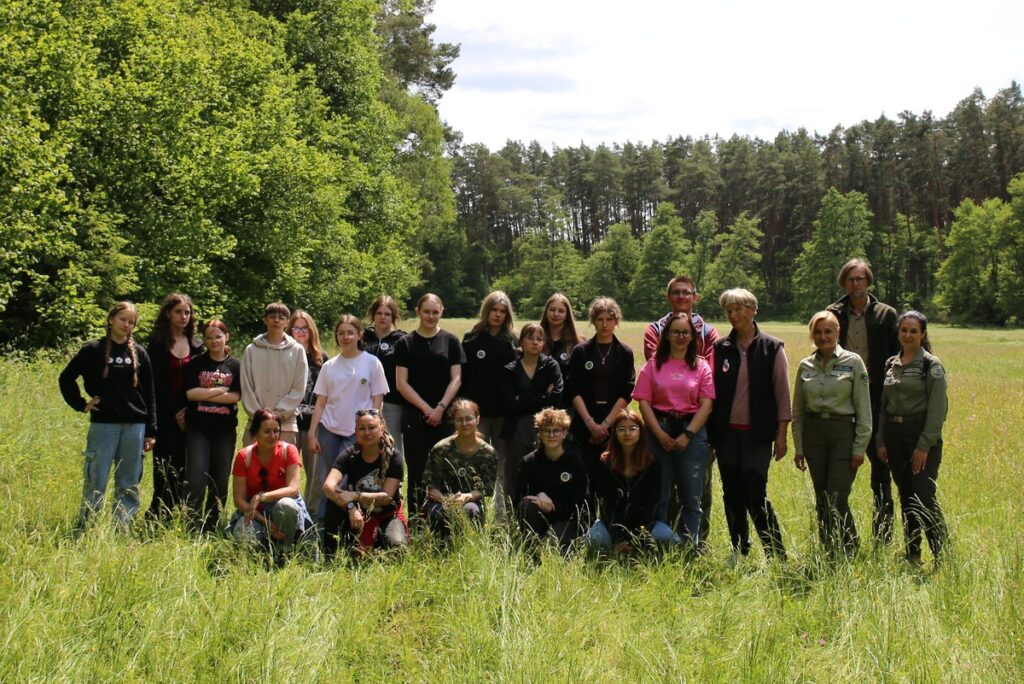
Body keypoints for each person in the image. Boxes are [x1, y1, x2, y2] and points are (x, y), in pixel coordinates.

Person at [709, 289, 791, 563]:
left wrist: (782, 436)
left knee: (756, 495)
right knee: (732, 494)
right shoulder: (720, 348)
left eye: (738, 309)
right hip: (726, 435)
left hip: (757, 436)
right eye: (729, 311)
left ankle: (776, 554)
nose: (733, 315)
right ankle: (739, 550)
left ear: (753, 310)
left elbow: (782, 395)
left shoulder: (772, 348)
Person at [58, 301, 157, 530]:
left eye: (131, 322)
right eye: (122, 319)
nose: (126, 325)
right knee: (97, 477)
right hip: (104, 424)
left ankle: (122, 528)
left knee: (128, 482)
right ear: (111, 319)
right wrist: (81, 404)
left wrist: (151, 430)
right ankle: (87, 526)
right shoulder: (93, 350)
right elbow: (66, 378)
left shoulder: (140, 352)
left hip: (135, 425)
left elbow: (150, 394)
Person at [826, 258, 900, 545]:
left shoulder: (885, 314)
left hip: (877, 402)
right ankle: (843, 538)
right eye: (850, 279)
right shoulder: (833, 313)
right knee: (838, 476)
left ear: (868, 280)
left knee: (881, 474)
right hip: (842, 404)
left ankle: (883, 538)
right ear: (843, 282)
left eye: (860, 278)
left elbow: (899, 355)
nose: (855, 284)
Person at [642, 276, 720, 546]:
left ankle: (694, 546)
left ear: (695, 297)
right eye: (676, 292)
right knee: (660, 491)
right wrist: (659, 433)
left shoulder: (708, 336)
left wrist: (688, 434)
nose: (682, 296)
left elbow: (708, 391)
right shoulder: (654, 337)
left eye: (687, 292)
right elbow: (645, 396)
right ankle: (661, 544)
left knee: (695, 492)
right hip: (660, 427)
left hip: (693, 426)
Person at [792, 311, 872, 557]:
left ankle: (850, 549)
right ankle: (828, 549)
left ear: (838, 332)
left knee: (837, 497)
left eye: (828, 331)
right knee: (822, 497)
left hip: (842, 434)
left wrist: (859, 447)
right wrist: (799, 447)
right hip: (814, 434)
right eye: (817, 332)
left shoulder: (853, 362)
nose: (823, 336)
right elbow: (798, 411)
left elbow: (864, 408)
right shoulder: (805, 365)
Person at [877, 311, 948, 566]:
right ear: (898, 332)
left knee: (923, 496)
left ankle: (943, 556)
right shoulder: (891, 363)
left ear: (923, 334)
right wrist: (881, 440)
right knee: (906, 495)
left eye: (913, 331)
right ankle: (913, 554)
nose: (908, 335)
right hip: (894, 436)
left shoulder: (931, 365)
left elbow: (938, 410)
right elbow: (883, 407)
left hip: (920, 436)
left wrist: (924, 445)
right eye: (904, 330)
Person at [308, 314, 387, 522]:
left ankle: (344, 523)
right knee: (324, 479)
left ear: (359, 335)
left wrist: (373, 428)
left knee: (343, 480)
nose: (346, 337)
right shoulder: (329, 366)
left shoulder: (372, 363)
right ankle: (322, 524)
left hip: (357, 432)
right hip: (329, 430)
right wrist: (312, 433)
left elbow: (377, 400)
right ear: (336, 336)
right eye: (341, 333)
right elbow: (321, 402)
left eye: (350, 333)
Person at [394, 293, 465, 517]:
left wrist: (440, 408)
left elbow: (457, 379)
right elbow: (401, 383)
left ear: (442, 312)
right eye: (426, 311)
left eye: (435, 312)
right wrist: (426, 409)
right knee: (416, 471)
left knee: (445, 468)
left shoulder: (451, 341)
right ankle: (416, 522)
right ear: (418, 311)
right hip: (415, 416)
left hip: (444, 416)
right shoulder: (405, 343)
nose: (431, 316)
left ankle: (444, 520)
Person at [565, 297, 635, 515]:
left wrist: (605, 425)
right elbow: (572, 389)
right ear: (593, 321)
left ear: (617, 321)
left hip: (613, 421)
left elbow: (627, 391)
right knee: (585, 477)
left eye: (609, 319)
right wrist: (590, 424)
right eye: (600, 319)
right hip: (584, 421)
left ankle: (611, 524)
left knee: (612, 477)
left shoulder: (624, 352)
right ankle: (584, 524)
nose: (605, 324)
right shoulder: (581, 351)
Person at [588, 409, 679, 553]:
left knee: (669, 539)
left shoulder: (653, 462)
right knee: (595, 539)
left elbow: (652, 503)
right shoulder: (605, 463)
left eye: (632, 428)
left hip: (645, 524)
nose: (627, 433)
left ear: (641, 432)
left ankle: (641, 549)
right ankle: (613, 551)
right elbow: (606, 505)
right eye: (621, 429)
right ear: (614, 433)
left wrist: (637, 537)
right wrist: (619, 538)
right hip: (611, 524)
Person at [321, 409, 408, 558]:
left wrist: (356, 496)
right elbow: (328, 486)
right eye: (362, 428)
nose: (366, 433)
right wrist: (350, 507)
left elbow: (386, 497)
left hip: (387, 516)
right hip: (357, 516)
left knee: (397, 550)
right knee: (333, 504)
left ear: (382, 429)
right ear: (355, 431)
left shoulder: (395, 458)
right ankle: (331, 556)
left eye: (372, 427)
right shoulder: (349, 455)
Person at [147, 293, 203, 519]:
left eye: (187, 312)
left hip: (192, 414)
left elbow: (202, 379)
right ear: (168, 313)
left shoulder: (197, 345)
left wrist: (188, 410)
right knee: (164, 466)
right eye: (178, 312)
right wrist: (175, 411)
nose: (183, 316)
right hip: (164, 414)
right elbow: (154, 381)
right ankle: (158, 514)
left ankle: (181, 513)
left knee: (186, 466)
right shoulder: (157, 343)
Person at [183, 319, 242, 533]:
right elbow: (191, 394)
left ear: (226, 337)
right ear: (204, 340)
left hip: (224, 431)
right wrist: (219, 391)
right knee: (195, 477)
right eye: (209, 337)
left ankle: (212, 524)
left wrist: (205, 393)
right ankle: (191, 523)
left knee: (220, 479)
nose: (214, 341)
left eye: (218, 336)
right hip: (198, 429)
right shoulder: (196, 363)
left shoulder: (236, 365)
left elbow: (235, 396)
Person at [229, 408, 313, 555]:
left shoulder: (289, 450)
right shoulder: (243, 456)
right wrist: (265, 522)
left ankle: (285, 550)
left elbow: (293, 489)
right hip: (256, 513)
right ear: (256, 432)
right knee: (245, 538)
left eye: (276, 431)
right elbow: (239, 501)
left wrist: (261, 497)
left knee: (286, 505)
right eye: (267, 431)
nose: (273, 436)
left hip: (284, 510)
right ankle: (263, 552)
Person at [500, 323, 563, 515]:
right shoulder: (510, 369)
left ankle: (545, 515)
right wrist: (542, 397)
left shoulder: (551, 365)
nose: (535, 342)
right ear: (521, 342)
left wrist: (522, 397)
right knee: (514, 472)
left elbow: (556, 398)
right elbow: (508, 404)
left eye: (539, 339)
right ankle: (513, 516)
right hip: (516, 428)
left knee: (544, 470)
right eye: (530, 338)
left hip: (545, 428)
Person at [421, 399, 498, 542]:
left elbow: (485, 489)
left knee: (471, 511)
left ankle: (470, 548)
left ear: (477, 419)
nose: (464, 424)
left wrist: (465, 497)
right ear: (453, 422)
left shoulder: (489, 453)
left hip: (471, 500)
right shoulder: (441, 448)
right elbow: (431, 488)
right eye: (459, 420)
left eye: (469, 419)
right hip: (441, 500)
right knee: (440, 513)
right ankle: (440, 550)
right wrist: (447, 501)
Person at [513, 408, 587, 555]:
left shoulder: (575, 462)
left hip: (567, 519)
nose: (551, 435)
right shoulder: (529, 462)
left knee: (550, 544)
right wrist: (539, 495)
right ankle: (530, 545)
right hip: (538, 519)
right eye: (546, 431)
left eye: (556, 431)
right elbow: (518, 498)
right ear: (539, 433)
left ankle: (549, 543)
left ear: (564, 433)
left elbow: (581, 503)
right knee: (527, 505)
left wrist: (553, 507)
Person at [240, 302, 308, 445]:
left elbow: (299, 387)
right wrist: (261, 416)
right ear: (265, 320)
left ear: (287, 322)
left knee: (284, 460)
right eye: (272, 317)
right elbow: (246, 386)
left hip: (286, 424)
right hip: (256, 423)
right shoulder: (251, 350)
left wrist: (279, 413)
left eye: (281, 317)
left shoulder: (297, 350)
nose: (276, 320)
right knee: (253, 460)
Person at [460, 291, 517, 442]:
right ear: (486, 311)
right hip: (476, 410)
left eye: (502, 311)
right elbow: (463, 375)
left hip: (503, 411)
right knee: (476, 452)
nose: (498, 314)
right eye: (494, 310)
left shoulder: (513, 341)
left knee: (502, 454)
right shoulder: (471, 338)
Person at [288, 309, 329, 515]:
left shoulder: (322, 358)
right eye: (296, 328)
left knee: (315, 473)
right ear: (290, 330)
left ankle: (311, 513)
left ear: (312, 330)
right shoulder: (286, 355)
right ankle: (289, 511)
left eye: (305, 328)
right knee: (288, 469)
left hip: (314, 423)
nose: (301, 332)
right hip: (289, 421)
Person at [363, 295, 407, 454]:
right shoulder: (362, 338)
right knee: (365, 445)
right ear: (373, 314)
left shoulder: (401, 340)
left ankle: (394, 472)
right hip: (363, 400)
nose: (383, 317)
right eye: (379, 313)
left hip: (391, 403)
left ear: (393, 316)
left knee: (391, 446)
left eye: (387, 314)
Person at [540, 293, 583, 393]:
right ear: (546, 312)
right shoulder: (536, 339)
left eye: (561, 311)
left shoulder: (577, 343)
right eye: (552, 310)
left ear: (567, 315)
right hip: (539, 399)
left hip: (568, 399)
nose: (556, 314)